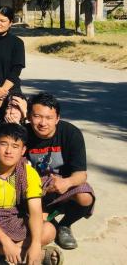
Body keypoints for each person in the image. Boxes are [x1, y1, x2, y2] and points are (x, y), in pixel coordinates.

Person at [0, 123, 62, 265]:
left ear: (23, 150)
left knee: (49, 230)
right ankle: (27, 255)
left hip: (14, 217)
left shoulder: (29, 173)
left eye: (15, 146)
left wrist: (35, 243)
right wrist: (6, 242)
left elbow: (35, 210)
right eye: (4, 144)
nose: (8, 151)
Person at [26, 92, 95, 250]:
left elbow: (81, 174)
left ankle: (65, 225)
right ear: (29, 116)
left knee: (85, 197)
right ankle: (49, 220)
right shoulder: (23, 134)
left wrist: (67, 182)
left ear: (57, 118)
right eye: (37, 116)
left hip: (63, 185)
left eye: (49, 118)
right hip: (34, 187)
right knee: (38, 226)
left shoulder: (71, 133)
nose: (43, 123)